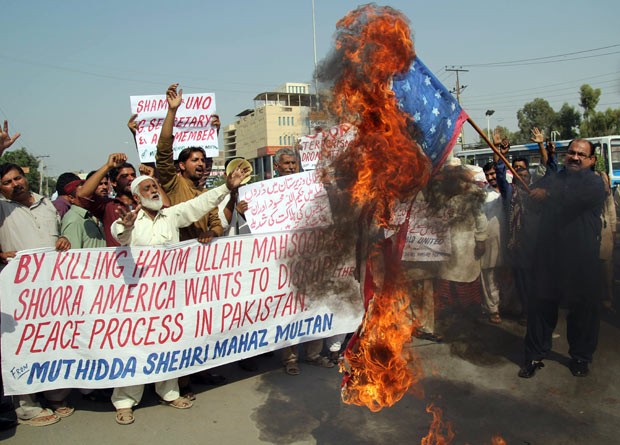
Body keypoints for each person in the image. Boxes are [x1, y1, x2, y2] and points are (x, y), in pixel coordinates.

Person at [108, 162, 249, 425]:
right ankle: (125, 401)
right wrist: (126, 226)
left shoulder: (171, 215)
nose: (154, 191)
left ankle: (168, 392)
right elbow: (121, 237)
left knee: (168, 341)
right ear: (137, 197)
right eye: (147, 188)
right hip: (137, 297)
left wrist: (227, 188)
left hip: (168, 295)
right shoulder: (128, 220)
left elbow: (200, 204)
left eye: (155, 186)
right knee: (134, 347)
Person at [519, 139, 606, 378]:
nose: (575, 157)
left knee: (583, 310)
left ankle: (580, 357)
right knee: (540, 307)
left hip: (581, 259)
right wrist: (532, 195)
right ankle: (534, 356)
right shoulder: (554, 178)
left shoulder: (594, 183)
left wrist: (545, 193)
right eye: (571, 153)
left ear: (591, 160)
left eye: (581, 154)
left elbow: (571, 199)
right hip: (548, 256)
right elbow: (533, 202)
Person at [0, 162, 73, 426]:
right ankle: (26, 406)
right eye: (7, 182)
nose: (15, 184)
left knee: (51, 340)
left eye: (17, 178)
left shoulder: (47, 204)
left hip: (51, 291)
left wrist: (63, 240)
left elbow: (58, 236)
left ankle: (55, 395)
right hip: (19, 293)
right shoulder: (2, 209)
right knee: (21, 346)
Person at [154, 83, 223, 244]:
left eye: (202, 160)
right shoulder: (174, 185)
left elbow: (217, 225)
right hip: (176, 258)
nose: (201, 164)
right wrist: (172, 111)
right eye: (194, 160)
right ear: (182, 165)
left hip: (199, 259)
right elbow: (163, 152)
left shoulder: (207, 194)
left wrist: (211, 232)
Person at [480, 162, 504, 324]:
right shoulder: (483, 195)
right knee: (489, 275)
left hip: (510, 239)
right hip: (490, 239)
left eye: (494, 174)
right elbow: (479, 218)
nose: (491, 177)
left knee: (509, 275)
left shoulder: (511, 190)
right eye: (488, 175)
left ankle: (509, 305)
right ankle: (493, 309)